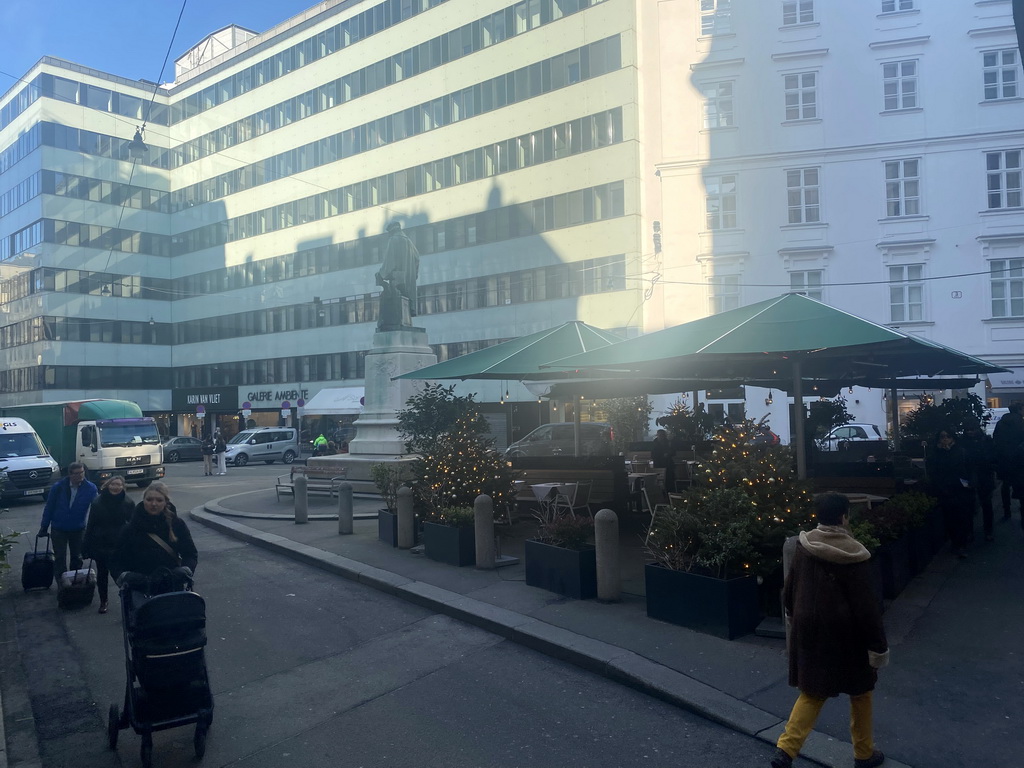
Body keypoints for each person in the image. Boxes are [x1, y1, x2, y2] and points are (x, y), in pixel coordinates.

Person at [771, 492, 888, 768]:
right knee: (861, 693)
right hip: (848, 636)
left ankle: (786, 749)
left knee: (812, 692)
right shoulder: (854, 554)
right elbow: (866, 608)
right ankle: (863, 753)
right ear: (843, 517)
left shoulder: (804, 546)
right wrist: (878, 647)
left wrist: (792, 613)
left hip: (811, 628)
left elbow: (790, 588)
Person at [111, 481, 198, 582]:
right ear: (143, 501)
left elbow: (190, 553)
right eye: (149, 499)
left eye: (159, 500)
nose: (153, 504)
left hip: (171, 582)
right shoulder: (130, 528)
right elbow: (115, 560)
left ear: (166, 502)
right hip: (139, 586)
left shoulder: (177, 524)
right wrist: (126, 577)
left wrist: (185, 570)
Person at [81, 475, 134, 613]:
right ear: (108, 485)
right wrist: (86, 545)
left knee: (121, 574)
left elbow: (134, 525)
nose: (116, 487)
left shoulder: (128, 502)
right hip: (101, 544)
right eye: (113, 484)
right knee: (102, 575)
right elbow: (91, 524)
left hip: (120, 544)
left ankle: (128, 600)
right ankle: (104, 601)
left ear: (123, 487)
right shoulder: (97, 502)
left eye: (119, 485)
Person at [38, 462, 98, 576]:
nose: (80, 476)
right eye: (76, 473)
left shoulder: (90, 488)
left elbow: (97, 507)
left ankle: (75, 582)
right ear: (70, 474)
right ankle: (62, 584)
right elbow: (49, 507)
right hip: (59, 528)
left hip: (78, 528)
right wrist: (44, 526)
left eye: (82, 472)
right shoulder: (58, 487)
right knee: (60, 557)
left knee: (77, 558)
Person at [926, 429, 974, 557]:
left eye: (948, 436)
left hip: (960, 490)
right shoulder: (935, 454)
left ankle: (961, 544)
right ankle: (956, 543)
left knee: (961, 517)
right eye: (942, 437)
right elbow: (933, 473)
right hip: (945, 491)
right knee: (950, 519)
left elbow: (969, 469)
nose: (945, 439)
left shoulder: (960, 452)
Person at [375, 221, 420, 328]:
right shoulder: (409, 241)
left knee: (394, 300)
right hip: (409, 279)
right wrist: (414, 274)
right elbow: (417, 258)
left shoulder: (394, 240)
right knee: (406, 303)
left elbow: (389, 262)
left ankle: (393, 321)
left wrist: (380, 274)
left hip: (397, 278)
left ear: (391, 231)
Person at [962, 422, 997, 541]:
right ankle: (986, 531)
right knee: (982, 504)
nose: (970, 432)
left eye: (971, 429)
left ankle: (979, 531)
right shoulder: (985, 440)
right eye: (968, 430)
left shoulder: (965, 443)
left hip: (979, 474)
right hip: (981, 475)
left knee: (980, 504)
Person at [992, 402, 1024, 524]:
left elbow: (995, 438)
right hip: (1019, 459)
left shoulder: (1001, 423)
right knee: (1021, 485)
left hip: (1004, 459)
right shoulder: (1020, 423)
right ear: (1019, 410)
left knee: (1005, 484)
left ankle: (1006, 510)